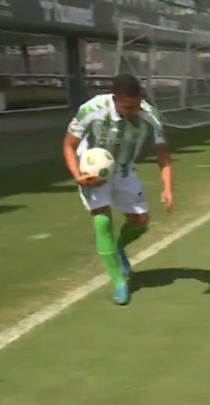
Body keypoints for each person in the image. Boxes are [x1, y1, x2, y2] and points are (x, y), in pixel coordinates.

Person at [63, 73, 174, 306]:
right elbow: (69, 145)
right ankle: (119, 283)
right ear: (114, 99)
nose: (133, 111)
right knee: (102, 221)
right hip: (93, 172)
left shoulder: (150, 115)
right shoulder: (91, 109)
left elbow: (162, 152)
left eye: (136, 105)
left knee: (140, 221)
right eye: (127, 106)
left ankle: (118, 248)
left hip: (124, 169)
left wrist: (167, 188)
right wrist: (78, 176)